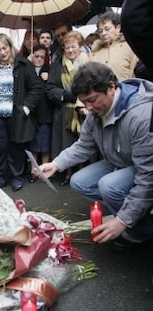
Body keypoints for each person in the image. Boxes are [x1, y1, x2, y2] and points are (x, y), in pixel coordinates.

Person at [37, 62, 153, 251]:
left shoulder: (141, 115)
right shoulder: (95, 112)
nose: (88, 108)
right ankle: (136, 213)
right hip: (119, 160)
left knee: (109, 186)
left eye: (92, 100)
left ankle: (139, 231)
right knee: (79, 181)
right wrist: (57, 164)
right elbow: (84, 145)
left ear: (111, 87)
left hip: (142, 167)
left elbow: (148, 177)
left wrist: (122, 220)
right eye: (84, 102)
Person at [0, 33, 41, 192]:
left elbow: (36, 88)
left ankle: (17, 177)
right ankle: (0, 177)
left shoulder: (23, 65)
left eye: (4, 48)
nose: (2, 52)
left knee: (16, 147)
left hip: (16, 114)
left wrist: (26, 108)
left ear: (10, 46)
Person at [46, 31, 90, 186]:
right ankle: (68, 174)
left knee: (85, 142)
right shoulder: (58, 62)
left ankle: (84, 174)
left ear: (80, 46)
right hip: (65, 110)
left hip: (85, 109)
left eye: (73, 46)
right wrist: (67, 95)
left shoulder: (89, 62)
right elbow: (50, 89)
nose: (70, 50)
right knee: (67, 144)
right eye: (67, 47)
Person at [90, 11, 138, 81]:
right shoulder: (94, 53)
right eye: (100, 31)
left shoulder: (129, 47)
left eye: (107, 29)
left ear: (118, 28)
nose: (103, 33)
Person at [28, 45, 52, 183]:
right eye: (36, 56)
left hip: (45, 111)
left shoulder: (49, 70)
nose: (38, 59)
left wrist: (47, 79)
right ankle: (33, 170)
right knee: (33, 144)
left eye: (42, 57)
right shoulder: (28, 69)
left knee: (45, 143)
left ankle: (44, 170)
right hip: (32, 113)